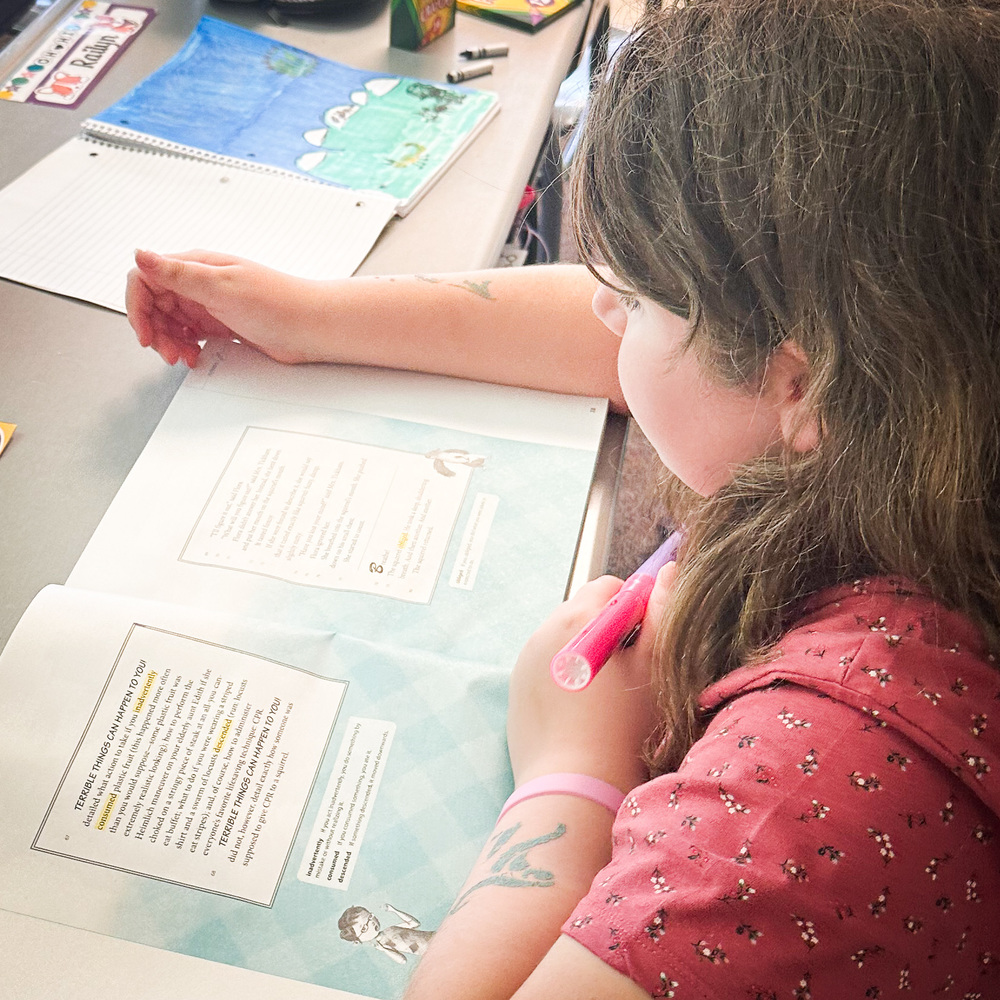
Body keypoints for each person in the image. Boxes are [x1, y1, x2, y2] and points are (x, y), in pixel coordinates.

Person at [126, 1, 1000, 996]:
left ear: (799, 383)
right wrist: (309, 314)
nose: (599, 309)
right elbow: (653, 349)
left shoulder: (797, 801)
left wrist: (572, 768)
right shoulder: (920, 391)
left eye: (632, 296)